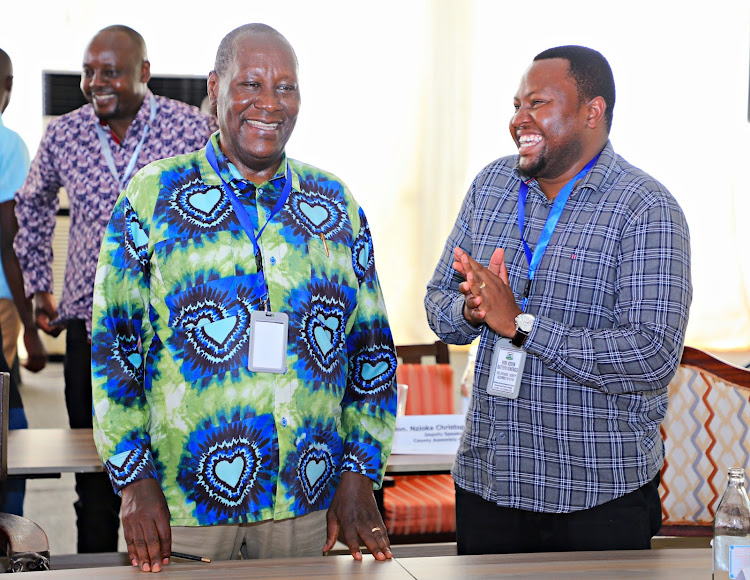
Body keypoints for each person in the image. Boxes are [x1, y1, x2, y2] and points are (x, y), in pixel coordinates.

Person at [91, 23, 396, 572]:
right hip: (183, 504)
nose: (269, 103)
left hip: (307, 500)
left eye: (285, 87)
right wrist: (134, 481)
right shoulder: (153, 195)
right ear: (215, 89)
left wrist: (360, 472)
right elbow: (115, 351)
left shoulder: (335, 205)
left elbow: (372, 353)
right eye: (250, 84)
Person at [425, 45, 692, 555]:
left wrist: (520, 326)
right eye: (516, 104)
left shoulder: (647, 209)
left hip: (597, 496)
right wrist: (470, 310)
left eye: (538, 104)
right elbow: (438, 301)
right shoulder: (492, 186)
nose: (518, 120)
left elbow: (651, 356)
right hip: (490, 482)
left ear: (592, 112)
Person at [13, 25, 218, 553]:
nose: (94, 82)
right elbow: (31, 207)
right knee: (95, 472)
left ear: (143, 74)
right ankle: (99, 567)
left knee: (172, 461)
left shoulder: (190, 128)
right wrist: (38, 287)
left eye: (109, 71)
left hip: (173, 331)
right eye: (88, 71)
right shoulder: (65, 133)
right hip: (92, 327)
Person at [0, 47, 43, 516]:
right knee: (9, 425)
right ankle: (10, 530)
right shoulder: (8, 143)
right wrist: (29, 326)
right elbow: (9, 235)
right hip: (2, 299)